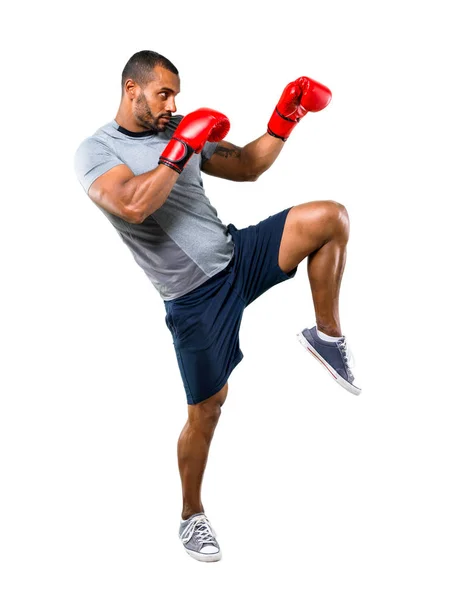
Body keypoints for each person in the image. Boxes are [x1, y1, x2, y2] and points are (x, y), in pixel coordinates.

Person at [74, 50, 361, 563]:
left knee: (331, 218)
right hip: (193, 301)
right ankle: (191, 515)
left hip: (237, 257)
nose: (173, 104)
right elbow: (133, 205)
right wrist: (179, 149)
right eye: (164, 94)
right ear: (131, 90)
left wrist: (286, 117)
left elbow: (249, 165)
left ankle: (327, 336)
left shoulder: (180, 128)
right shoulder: (96, 150)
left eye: (176, 95)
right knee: (207, 411)